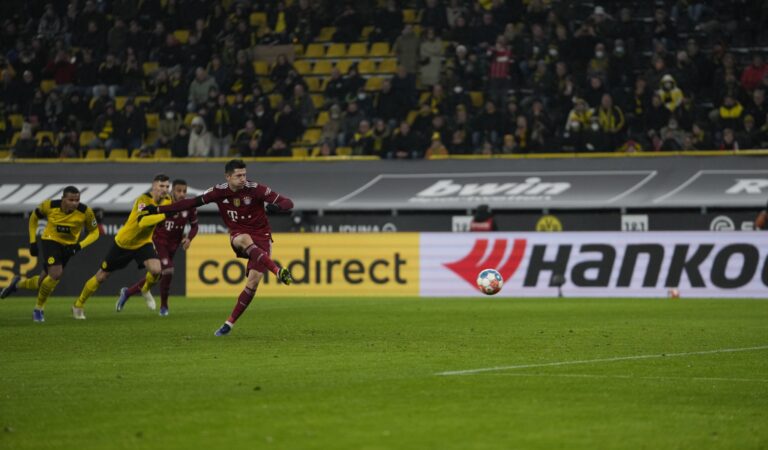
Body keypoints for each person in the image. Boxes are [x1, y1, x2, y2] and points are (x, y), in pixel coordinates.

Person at [145, 159, 294, 336]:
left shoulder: (256, 189)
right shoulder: (218, 192)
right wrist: (158, 210)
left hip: (262, 237)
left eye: (244, 175)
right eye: (238, 175)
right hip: (239, 235)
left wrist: (277, 207)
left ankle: (228, 324)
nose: (243, 179)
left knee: (253, 282)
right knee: (244, 239)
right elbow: (190, 203)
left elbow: (288, 202)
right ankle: (277, 271)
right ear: (228, 176)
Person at [72, 174, 172, 320]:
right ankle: (78, 305)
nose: (164, 189)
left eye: (167, 186)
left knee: (157, 271)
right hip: (124, 243)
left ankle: (144, 290)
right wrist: (164, 216)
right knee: (102, 276)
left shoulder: (168, 200)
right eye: (161, 186)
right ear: (154, 186)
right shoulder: (143, 200)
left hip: (143, 243)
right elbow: (143, 222)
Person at [0, 187, 100, 322]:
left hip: (68, 247)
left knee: (41, 282)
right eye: (71, 200)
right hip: (50, 240)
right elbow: (33, 218)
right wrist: (33, 242)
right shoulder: (49, 206)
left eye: (77, 200)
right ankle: (38, 309)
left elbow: (95, 232)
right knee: (56, 274)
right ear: (63, 199)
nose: (75, 203)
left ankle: (16, 285)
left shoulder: (85, 211)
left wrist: (79, 246)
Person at [116, 179, 199, 316]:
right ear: (172, 191)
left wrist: (189, 238)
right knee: (168, 270)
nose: (182, 194)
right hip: (159, 242)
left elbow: (195, 226)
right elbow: (149, 220)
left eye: (184, 191)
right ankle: (164, 307)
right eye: (179, 191)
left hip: (174, 245)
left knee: (159, 274)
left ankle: (128, 292)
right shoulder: (164, 203)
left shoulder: (189, 206)